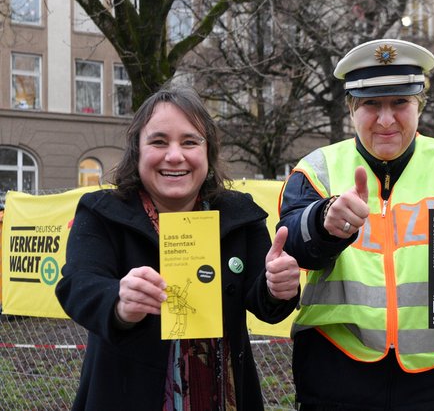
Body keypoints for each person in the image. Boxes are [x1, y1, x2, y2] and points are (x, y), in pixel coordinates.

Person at [55, 87, 301, 410]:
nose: (174, 156)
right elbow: (77, 284)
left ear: (208, 151)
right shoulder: (102, 212)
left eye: (189, 142)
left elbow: (263, 299)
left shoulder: (239, 215)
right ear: (137, 151)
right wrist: (118, 301)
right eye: (158, 142)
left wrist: (277, 287)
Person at [278, 39, 434, 410]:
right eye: (371, 104)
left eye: (400, 103)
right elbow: (293, 242)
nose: (386, 119)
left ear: (419, 105)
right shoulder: (317, 167)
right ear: (351, 109)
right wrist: (325, 220)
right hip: (337, 373)